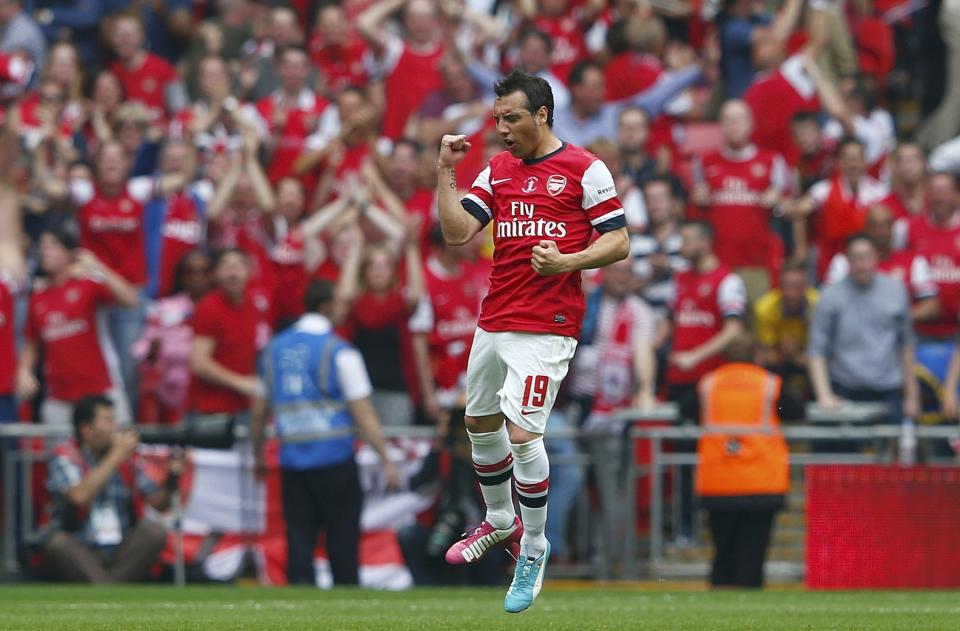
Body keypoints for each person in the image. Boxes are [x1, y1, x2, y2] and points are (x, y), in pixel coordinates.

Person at [436, 70, 630, 612]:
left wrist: (568, 260)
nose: (501, 128)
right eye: (497, 118)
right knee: (477, 422)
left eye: (512, 118)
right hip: (495, 317)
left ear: (542, 115)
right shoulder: (497, 170)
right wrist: (445, 171)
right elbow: (456, 232)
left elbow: (618, 240)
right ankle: (499, 520)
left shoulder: (585, 168)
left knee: (523, 433)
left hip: (548, 325)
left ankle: (536, 546)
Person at [251, 280, 400, 586]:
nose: (345, 309)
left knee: (299, 538)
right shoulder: (339, 351)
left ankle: (300, 607)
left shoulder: (274, 349)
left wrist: (256, 452)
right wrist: (385, 457)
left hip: (293, 458)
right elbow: (363, 412)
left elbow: (258, 408)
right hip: (335, 459)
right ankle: (345, 603)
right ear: (326, 305)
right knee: (342, 539)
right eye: (341, 303)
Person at [683, 333, 801, 588]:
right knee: (753, 555)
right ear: (756, 355)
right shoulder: (769, 383)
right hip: (761, 483)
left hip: (718, 483)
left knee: (723, 553)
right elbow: (797, 409)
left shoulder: (709, 383)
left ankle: (717, 608)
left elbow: (685, 409)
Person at [43, 394, 183, 583]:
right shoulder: (66, 455)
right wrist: (116, 456)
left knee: (154, 531)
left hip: (121, 548)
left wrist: (172, 478)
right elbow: (79, 496)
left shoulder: (128, 460)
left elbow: (159, 503)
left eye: (114, 420)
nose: (115, 427)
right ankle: (110, 587)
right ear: (86, 429)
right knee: (58, 544)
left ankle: (104, 586)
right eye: (107, 421)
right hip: (82, 547)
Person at [17, 225, 138, 428]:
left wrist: (98, 266)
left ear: (71, 253)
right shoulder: (37, 296)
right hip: (58, 397)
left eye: (53, 245)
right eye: (42, 245)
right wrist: (24, 370)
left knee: (118, 450)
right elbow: (32, 343)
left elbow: (130, 300)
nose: (44, 250)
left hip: (101, 391)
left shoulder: (88, 285)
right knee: (59, 458)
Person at [808, 234, 919, 425]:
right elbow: (817, 350)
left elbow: (906, 345)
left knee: (892, 453)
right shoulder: (830, 295)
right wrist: (824, 395)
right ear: (847, 260)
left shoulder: (896, 290)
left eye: (866, 256)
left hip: (888, 388)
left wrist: (912, 396)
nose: (862, 264)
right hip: (844, 388)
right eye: (856, 257)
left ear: (876, 256)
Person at [691, 99, 788, 305]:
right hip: (717, 264)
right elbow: (694, 212)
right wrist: (697, 199)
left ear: (751, 124)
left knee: (758, 326)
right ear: (720, 126)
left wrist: (778, 201)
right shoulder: (705, 162)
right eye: (728, 120)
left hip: (757, 263)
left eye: (739, 119)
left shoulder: (772, 162)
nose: (734, 125)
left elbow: (790, 209)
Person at [754, 260, 819, 401]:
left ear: (806, 287)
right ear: (779, 287)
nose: (791, 294)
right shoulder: (765, 308)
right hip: (780, 362)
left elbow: (824, 353)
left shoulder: (819, 306)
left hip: (811, 361)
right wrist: (784, 353)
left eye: (797, 287)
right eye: (786, 286)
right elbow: (764, 354)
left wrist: (796, 355)